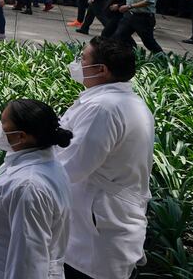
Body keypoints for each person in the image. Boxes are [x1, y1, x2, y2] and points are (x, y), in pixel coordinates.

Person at [58, 37, 154, 279]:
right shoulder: (127, 102)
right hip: (103, 225)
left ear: (101, 69)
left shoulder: (104, 108)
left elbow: (71, 166)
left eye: (82, 59)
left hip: (95, 234)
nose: (77, 64)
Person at [0, 99, 73, 279]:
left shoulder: (29, 188)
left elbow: (28, 263)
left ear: (22, 136)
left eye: (3, 123)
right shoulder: (21, 159)